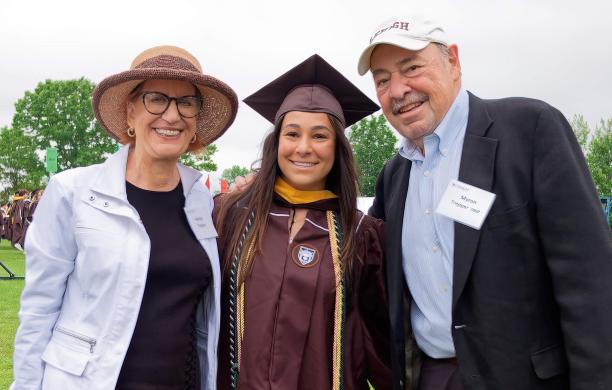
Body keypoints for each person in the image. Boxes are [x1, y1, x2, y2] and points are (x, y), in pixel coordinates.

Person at [357, 16, 612, 390]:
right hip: (431, 376)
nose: (397, 90)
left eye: (411, 68)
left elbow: (590, 282)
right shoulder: (393, 177)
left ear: (453, 63)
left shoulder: (530, 129)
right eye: (382, 80)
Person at [11, 45, 238, 390]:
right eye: (156, 99)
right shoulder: (72, 192)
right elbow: (38, 310)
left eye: (185, 103)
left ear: (195, 121)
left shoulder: (202, 199)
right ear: (130, 111)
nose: (172, 115)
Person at [214, 54, 391, 389]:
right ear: (277, 142)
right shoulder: (232, 217)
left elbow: (381, 342)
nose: (304, 148)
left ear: (337, 146)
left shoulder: (361, 235)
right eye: (292, 134)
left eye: (320, 136)